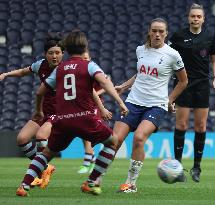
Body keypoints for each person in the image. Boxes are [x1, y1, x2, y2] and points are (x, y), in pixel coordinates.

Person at [16, 30, 128, 197]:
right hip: (85, 119)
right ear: (85, 47)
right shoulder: (88, 65)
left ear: (66, 49)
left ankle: (24, 185)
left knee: (46, 154)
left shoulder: (60, 69)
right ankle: (91, 182)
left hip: (63, 121)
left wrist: (38, 111)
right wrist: (120, 103)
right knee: (113, 141)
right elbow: (104, 82)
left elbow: (40, 92)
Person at [113, 18, 188, 193]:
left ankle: (130, 184)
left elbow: (183, 81)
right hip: (133, 101)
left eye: (161, 31)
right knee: (114, 141)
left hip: (156, 104)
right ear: (149, 31)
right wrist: (124, 86)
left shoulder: (173, 55)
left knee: (139, 138)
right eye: (154, 30)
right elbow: (141, 74)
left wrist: (169, 100)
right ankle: (95, 180)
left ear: (166, 33)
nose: (157, 34)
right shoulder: (140, 50)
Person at [0, 33, 64, 187]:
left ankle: (41, 173)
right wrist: (6, 74)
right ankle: (45, 167)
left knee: (41, 136)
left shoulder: (66, 70)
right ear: (45, 54)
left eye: (58, 53)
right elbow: (23, 72)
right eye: (51, 53)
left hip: (60, 112)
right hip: (43, 111)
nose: (54, 56)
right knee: (22, 139)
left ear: (63, 53)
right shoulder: (40, 65)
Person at [169, 3, 215, 183]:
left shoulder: (209, 36)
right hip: (183, 85)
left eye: (199, 16)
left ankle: (197, 167)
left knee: (200, 127)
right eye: (193, 16)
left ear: (203, 19)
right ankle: (177, 167)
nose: (196, 19)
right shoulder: (178, 36)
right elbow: (167, 58)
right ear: (188, 18)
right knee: (182, 126)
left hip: (201, 86)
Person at [77, 51, 112, 174]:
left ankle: (87, 163)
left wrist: (96, 93)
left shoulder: (93, 69)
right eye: (82, 58)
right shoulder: (79, 70)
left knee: (87, 132)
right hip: (82, 105)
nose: (84, 60)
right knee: (83, 135)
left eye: (86, 58)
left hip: (94, 105)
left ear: (90, 58)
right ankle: (95, 161)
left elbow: (108, 82)